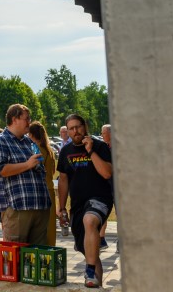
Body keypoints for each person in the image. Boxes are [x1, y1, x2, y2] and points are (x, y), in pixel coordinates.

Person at [57, 114, 114, 288]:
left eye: (78, 127)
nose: (76, 131)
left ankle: (89, 270)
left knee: (89, 220)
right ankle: (95, 281)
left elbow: (107, 173)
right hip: (77, 205)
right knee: (89, 250)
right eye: (71, 128)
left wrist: (91, 151)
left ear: (85, 126)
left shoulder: (100, 146)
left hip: (100, 199)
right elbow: (63, 180)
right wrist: (62, 208)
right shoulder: (66, 151)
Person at [0, 104, 52, 245]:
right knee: (15, 256)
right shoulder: (0, 140)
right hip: (17, 207)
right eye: (26, 119)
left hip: (40, 205)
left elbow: (39, 168)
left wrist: (37, 166)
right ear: (14, 119)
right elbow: (1, 169)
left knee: (38, 257)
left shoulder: (28, 141)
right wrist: (27, 165)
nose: (29, 122)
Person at [27, 121, 58, 247]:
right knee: (50, 227)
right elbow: (53, 171)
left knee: (41, 228)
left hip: (41, 191)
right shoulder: (49, 150)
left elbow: (35, 170)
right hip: (50, 189)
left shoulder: (36, 150)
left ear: (32, 134)